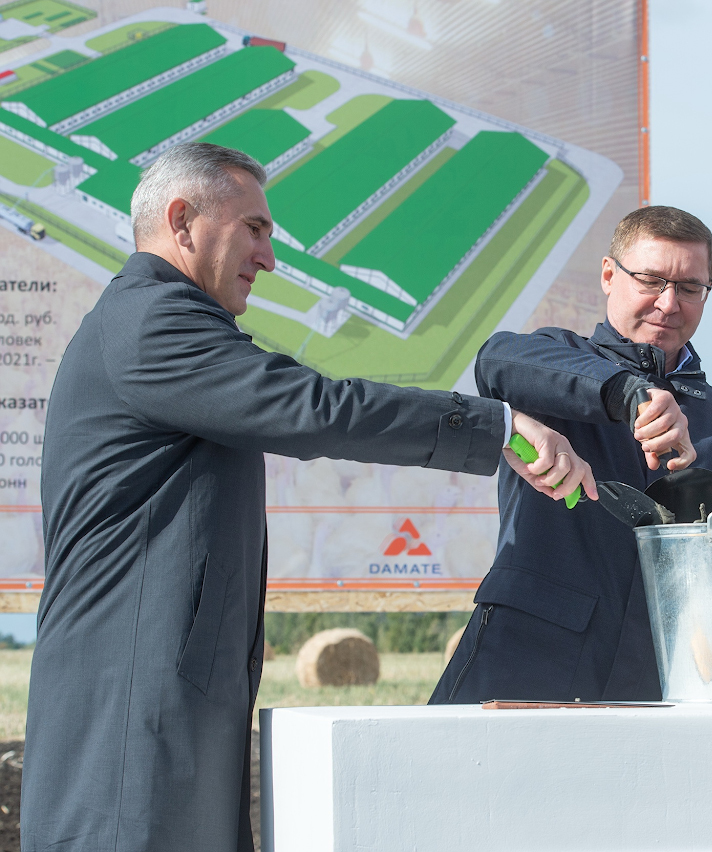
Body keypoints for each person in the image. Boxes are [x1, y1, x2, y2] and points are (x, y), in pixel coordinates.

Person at [21, 143, 595, 852]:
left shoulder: (153, 321)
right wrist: (495, 426)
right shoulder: (153, 322)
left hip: (157, 710)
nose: (268, 258)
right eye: (254, 229)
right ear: (182, 220)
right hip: (130, 718)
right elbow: (317, 407)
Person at [430, 205, 712, 704]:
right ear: (609, 275)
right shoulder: (550, 361)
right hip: (523, 662)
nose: (668, 303)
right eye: (650, 280)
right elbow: (494, 360)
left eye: (689, 287)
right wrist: (628, 394)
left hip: (663, 687)